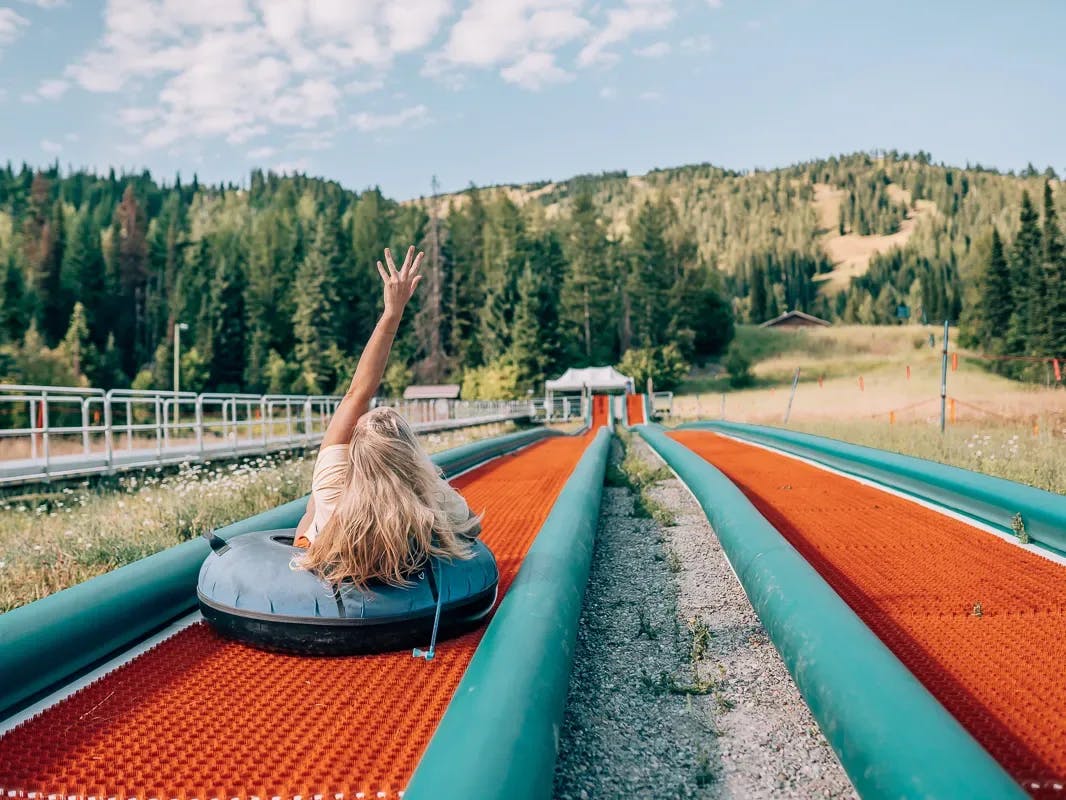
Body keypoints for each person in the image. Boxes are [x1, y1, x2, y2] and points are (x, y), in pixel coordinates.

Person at [291, 246, 480, 589]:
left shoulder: (332, 481)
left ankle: (310, 537)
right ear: (408, 456)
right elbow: (472, 528)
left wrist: (391, 313)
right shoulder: (431, 500)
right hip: (402, 559)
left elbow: (357, 393)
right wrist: (429, 482)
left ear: (358, 452)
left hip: (336, 551)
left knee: (314, 502)